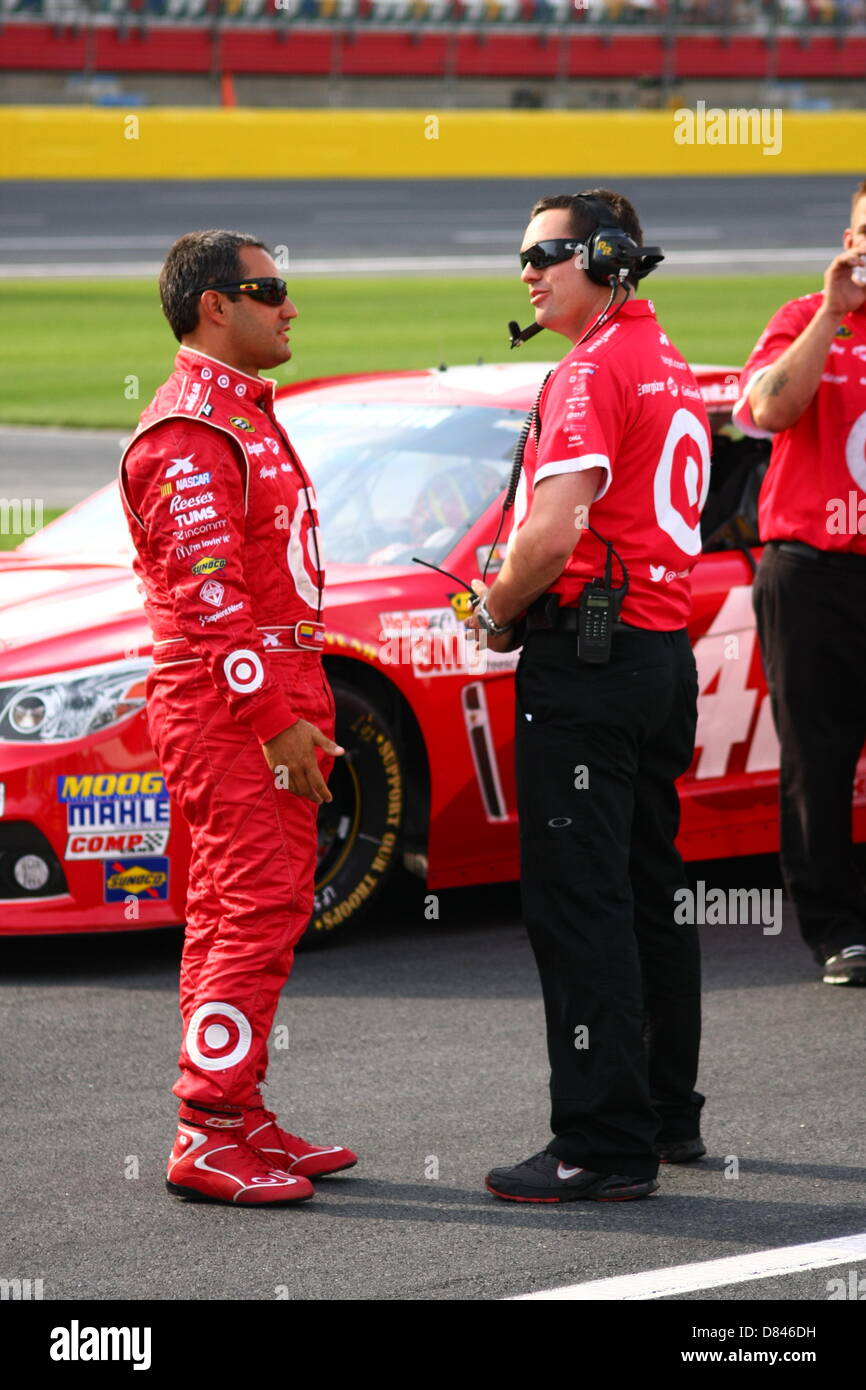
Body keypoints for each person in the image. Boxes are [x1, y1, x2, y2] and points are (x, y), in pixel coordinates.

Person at [467, 190, 711, 1202]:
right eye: (521, 253)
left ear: (608, 258)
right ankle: (662, 1117)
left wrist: (490, 606)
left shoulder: (592, 366)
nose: (526, 270)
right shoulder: (665, 360)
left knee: (579, 902)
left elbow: (555, 533)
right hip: (657, 658)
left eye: (547, 253)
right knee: (646, 889)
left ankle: (599, 1145)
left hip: (591, 664)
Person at [119, 230, 357, 1205]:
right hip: (229, 700)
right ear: (214, 305)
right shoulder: (192, 430)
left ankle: (235, 1106)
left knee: (234, 908)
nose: (289, 306)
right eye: (270, 290)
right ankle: (207, 1126)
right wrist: (271, 717)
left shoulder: (240, 414)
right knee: (253, 907)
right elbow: (211, 595)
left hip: (257, 687)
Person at [733, 181, 866, 988]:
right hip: (812, 572)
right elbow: (765, 413)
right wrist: (831, 313)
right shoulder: (802, 316)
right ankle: (837, 931)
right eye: (864, 231)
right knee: (818, 759)